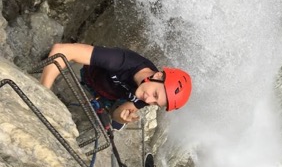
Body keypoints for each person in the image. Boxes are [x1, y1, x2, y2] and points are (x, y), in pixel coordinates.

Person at [40, 43, 192, 128]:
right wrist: (42, 94)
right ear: (158, 76)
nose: (148, 100)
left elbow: (121, 111)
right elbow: (62, 50)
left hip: (108, 97)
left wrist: (120, 117)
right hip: (87, 77)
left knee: (106, 126)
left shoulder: (148, 93)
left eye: (155, 103)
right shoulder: (122, 61)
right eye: (155, 95)